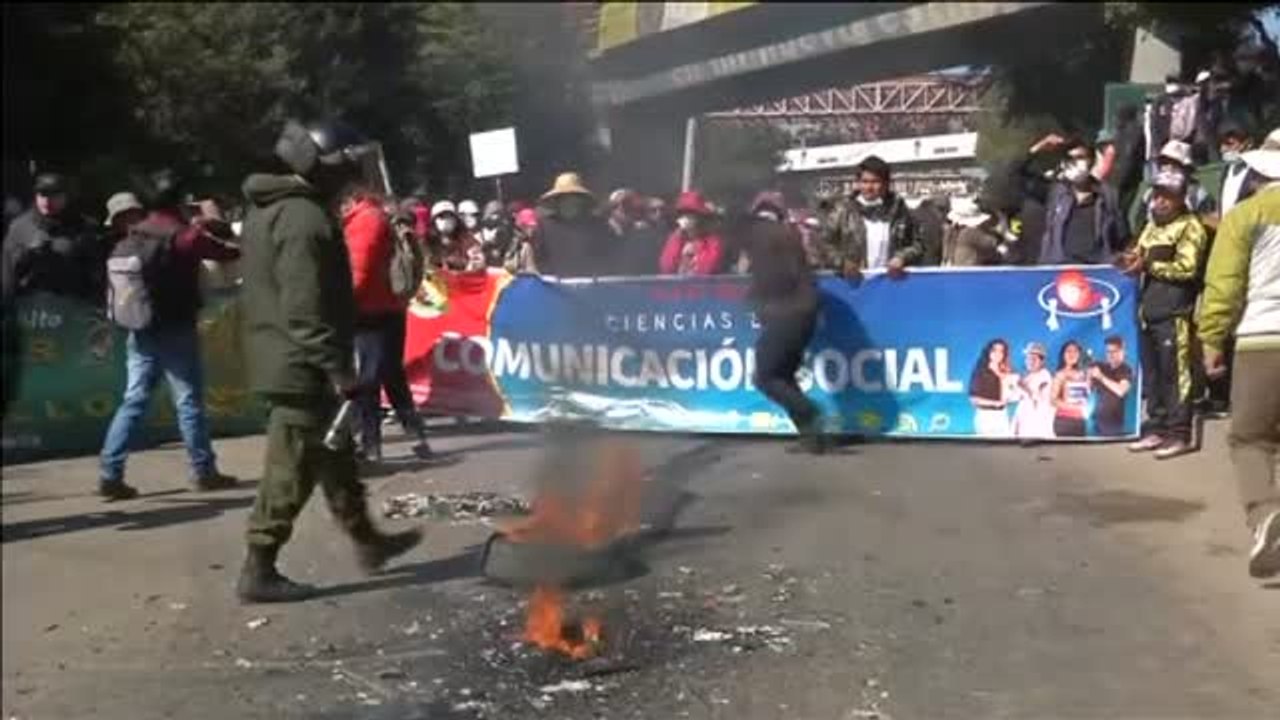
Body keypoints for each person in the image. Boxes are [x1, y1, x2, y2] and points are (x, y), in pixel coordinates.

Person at [237, 119, 421, 603]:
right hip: (301, 362)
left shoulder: (272, 209)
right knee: (292, 466)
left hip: (289, 353)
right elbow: (305, 307)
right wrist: (337, 369)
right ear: (321, 166)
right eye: (343, 165)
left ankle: (369, 542)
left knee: (336, 457)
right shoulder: (303, 217)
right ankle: (259, 565)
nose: (350, 174)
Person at [96, 172, 242, 501]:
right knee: (188, 401)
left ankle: (110, 472)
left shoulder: (134, 235)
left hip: (140, 331)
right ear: (178, 203)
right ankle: (203, 470)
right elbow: (228, 253)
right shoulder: (182, 235)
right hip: (176, 329)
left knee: (133, 401)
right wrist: (213, 221)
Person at [1196, 128, 1280, 578]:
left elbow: (1224, 287)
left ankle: (1266, 512)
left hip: (1262, 340)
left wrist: (1212, 339)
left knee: (1251, 438)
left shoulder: (1246, 214)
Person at [340, 183, 433, 465]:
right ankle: (416, 435)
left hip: (370, 311)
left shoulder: (365, 219)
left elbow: (360, 269)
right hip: (389, 308)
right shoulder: (376, 214)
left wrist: (341, 305)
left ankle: (370, 446)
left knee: (368, 381)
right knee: (392, 375)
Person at [1121, 170, 1209, 459]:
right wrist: (1128, 259)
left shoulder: (1190, 227)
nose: (1160, 201)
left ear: (1181, 198)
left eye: (1167, 196)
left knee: (1176, 375)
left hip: (1175, 313)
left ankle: (1179, 433)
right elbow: (1137, 255)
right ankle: (1156, 428)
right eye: (1157, 194)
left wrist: (1148, 266)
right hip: (1148, 313)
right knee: (1154, 376)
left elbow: (1188, 269)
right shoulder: (1150, 225)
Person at [744, 220, 825, 453]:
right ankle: (812, 437)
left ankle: (808, 410)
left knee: (765, 376)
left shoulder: (774, 255)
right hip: (801, 316)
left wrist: (752, 298)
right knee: (783, 376)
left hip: (789, 316)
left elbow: (771, 285)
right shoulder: (791, 250)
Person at [2, 172, 102, 305]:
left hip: (71, 308)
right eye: (42, 195)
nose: (47, 201)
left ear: (66, 196)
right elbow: (7, 273)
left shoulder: (83, 227)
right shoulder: (19, 227)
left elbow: (96, 274)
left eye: (54, 195)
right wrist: (27, 254)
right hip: (29, 309)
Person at [818, 155, 923, 279]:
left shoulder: (899, 210)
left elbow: (918, 245)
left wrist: (901, 257)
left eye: (875, 182)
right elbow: (823, 243)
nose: (869, 187)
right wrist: (842, 263)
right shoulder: (843, 210)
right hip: (854, 284)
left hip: (889, 283)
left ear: (886, 183)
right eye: (865, 181)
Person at [1034, 136, 1128, 265]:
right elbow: (1017, 178)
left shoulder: (1108, 195)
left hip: (1096, 272)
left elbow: (1122, 236)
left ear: (1091, 161)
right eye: (1068, 158)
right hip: (1058, 270)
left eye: (1079, 157)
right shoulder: (1056, 192)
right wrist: (1037, 149)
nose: (1073, 162)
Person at [1128, 140, 1216, 236]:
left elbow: (1209, 226)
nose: (1168, 167)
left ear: (1186, 168)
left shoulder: (1198, 194)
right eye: (1164, 163)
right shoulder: (1149, 193)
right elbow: (1139, 225)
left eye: (1174, 163)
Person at [533, 173, 610, 277]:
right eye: (564, 198)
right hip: (555, 288)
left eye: (574, 198)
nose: (569, 202)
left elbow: (606, 256)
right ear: (557, 201)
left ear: (582, 200)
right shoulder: (545, 225)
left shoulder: (596, 225)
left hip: (592, 287)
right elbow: (540, 260)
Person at [659, 191, 725, 276]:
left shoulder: (712, 242)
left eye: (690, 214)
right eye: (682, 214)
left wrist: (696, 245)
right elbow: (666, 268)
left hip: (702, 288)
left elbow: (706, 269)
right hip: (676, 288)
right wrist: (677, 239)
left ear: (700, 217)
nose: (685, 218)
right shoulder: (675, 239)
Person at [606, 188, 663, 275]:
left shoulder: (643, 235)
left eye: (630, 205)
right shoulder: (601, 232)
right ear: (612, 208)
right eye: (623, 204)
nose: (626, 209)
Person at [969, 339, 1016, 437]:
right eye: (994, 350)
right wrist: (995, 403)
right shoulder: (981, 371)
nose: (998, 354)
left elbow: (1010, 395)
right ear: (988, 352)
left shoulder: (1006, 371)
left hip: (1002, 415)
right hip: (986, 415)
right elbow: (974, 399)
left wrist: (1003, 376)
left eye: (1001, 351)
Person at [1090, 335, 1134, 437]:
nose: (1111, 354)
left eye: (1114, 351)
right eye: (1108, 351)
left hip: (1114, 425)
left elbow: (1121, 391)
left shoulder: (1125, 369)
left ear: (1123, 351)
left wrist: (1101, 377)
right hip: (1096, 422)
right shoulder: (1101, 366)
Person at [942, 197, 1006, 266]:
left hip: (955, 268)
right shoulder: (970, 233)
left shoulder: (951, 231)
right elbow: (992, 243)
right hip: (970, 270)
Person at [1012, 342, 1055, 440]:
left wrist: (1023, 387)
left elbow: (1038, 400)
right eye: (1027, 358)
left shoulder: (1045, 377)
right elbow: (1016, 399)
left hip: (1037, 431)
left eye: (1034, 359)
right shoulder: (1027, 377)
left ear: (1042, 361)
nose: (1029, 362)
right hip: (1024, 430)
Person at [427, 200, 482, 271]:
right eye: (442, 217)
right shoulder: (428, 241)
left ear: (456, 220)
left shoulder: (468, 240)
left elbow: (477, 261)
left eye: (450, 216)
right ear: (434, 221)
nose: (447, 220)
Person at [1051, 340, 1090, 438]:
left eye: (1075, 351)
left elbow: (1087, 396)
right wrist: (1073, 407)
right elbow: (1053, 400)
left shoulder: (1083, 374)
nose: (1072, 354)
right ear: (1063, 355)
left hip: (1080, 420)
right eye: (1068, 351)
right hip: (1064, 421)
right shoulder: (1060, 374)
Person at [477, 200, 514, 268]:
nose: (495, 217)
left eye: (498, 213)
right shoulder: (478, 235)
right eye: (492, 213)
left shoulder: (506, 233)